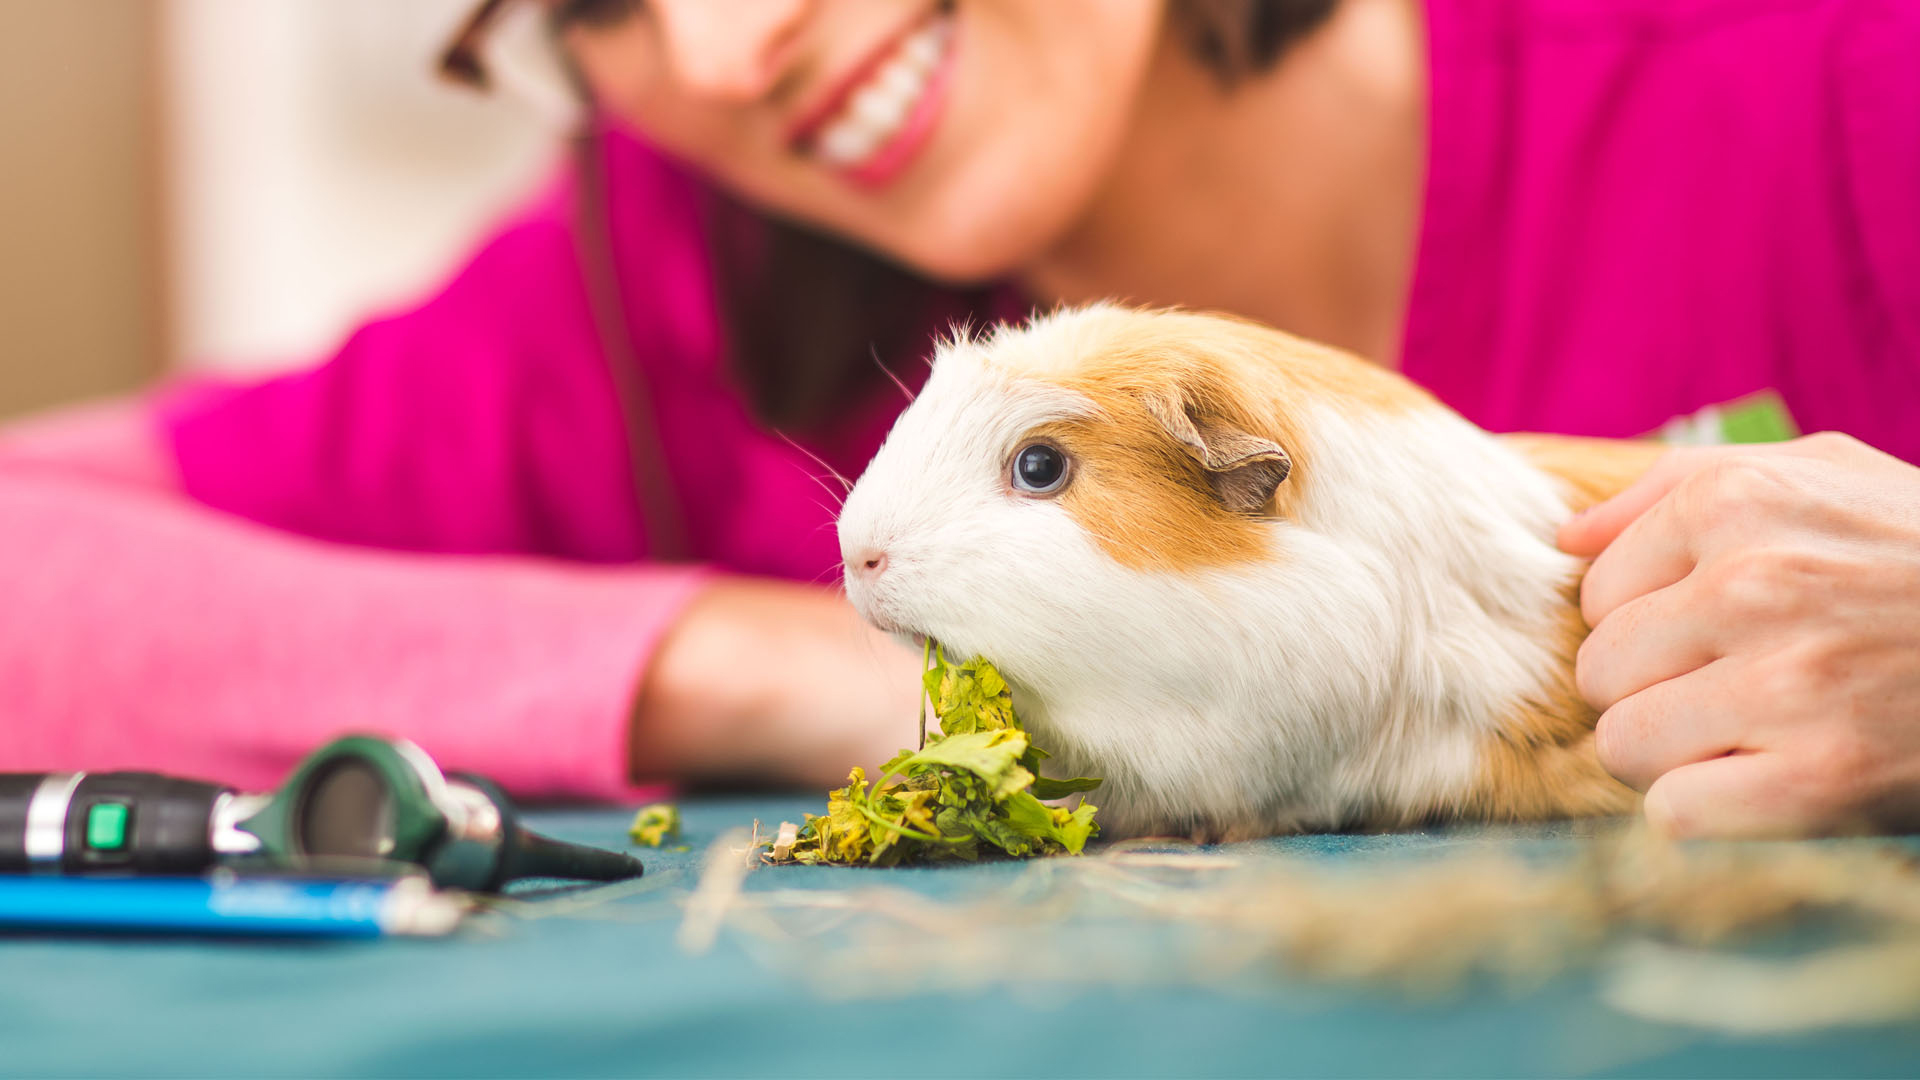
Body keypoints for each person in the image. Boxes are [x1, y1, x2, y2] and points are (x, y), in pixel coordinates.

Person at [3, 0, 1915, 836]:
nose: (728, 49)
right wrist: (757, 673)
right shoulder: (671, 272)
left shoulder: (1838, 88)